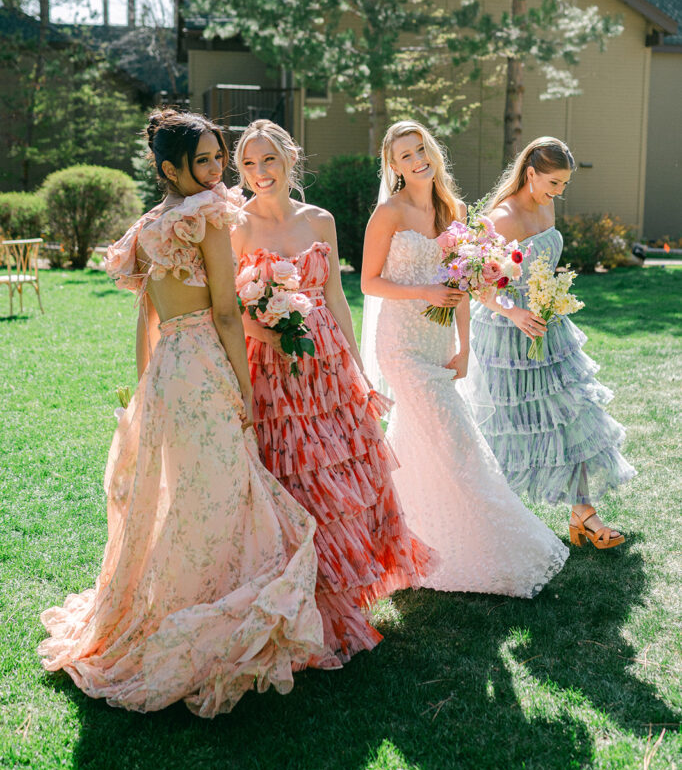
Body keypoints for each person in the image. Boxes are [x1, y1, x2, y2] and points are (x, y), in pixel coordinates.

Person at [38, 109, 325, 717]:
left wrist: (143, 381)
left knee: (183, 492)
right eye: (204, 160)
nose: (218, 170)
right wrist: (244, 390)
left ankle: (169, 599)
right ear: (170, 168)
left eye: (220, 157)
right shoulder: (211, 217)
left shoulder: (146, 228)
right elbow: (226, 314)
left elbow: (145, 313)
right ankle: (205, 606)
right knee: (220, 490)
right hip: (203, 364)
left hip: (168, 367)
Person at [231, 119, 435, 665]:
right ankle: (307, 600)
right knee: (296, 477)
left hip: (328, 368)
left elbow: (338, 295)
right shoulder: (236, 226)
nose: (259, 174)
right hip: (273, 367)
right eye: (248, 165)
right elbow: (225, 309)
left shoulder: (320, 219)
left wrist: (358, 367)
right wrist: (268, 332)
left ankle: (344, 592)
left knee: (340, 474)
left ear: (290, 159)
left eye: (268, 160)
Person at [361, 120, 568, 596]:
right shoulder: (388, 215)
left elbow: (470, 282)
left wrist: (466, 346)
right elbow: (369, 282)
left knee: (417, 446)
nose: (417, 160)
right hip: (402, 346)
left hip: (440, 345)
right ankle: (503, 546)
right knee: (459, 443)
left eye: (421, 149)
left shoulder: (453, 210)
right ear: (393, 166)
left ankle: (413, 545)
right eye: (405, 155)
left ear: (432, 152)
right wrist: (423, 289)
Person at [470, 136, 635, 549]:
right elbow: (476, 284)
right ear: (530, 173)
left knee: (573, 414)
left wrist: (550, 300)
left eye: (563, 185)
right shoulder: (501, 218)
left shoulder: (547, 204)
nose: (559, 192)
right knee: (507, 428)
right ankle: (491, 522)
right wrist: (514, 311)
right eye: (554, 183)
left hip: (549, 325)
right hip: (508, 334)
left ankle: (584, 513)